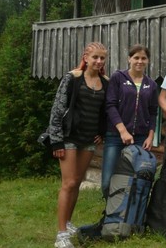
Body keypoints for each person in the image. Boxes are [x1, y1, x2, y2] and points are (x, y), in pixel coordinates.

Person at [47, 42, 109, 248]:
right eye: (95, 57)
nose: (99, 62)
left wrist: (101, 131)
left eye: (102, 58)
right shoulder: (72, 78)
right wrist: (56, 140)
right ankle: (61, 235)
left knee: (77, 182)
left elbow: (104, 111)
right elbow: (57, 109)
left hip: (89, 139)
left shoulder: (105, 82)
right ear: (86, 58)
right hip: (69, 137)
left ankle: (67, 222)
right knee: (69, 183)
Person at [102, 44, 158, 198]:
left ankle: (129, 217)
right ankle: (111, 217)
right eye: (136, 58)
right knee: (108, 181)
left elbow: (153, 112)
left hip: (140, 138)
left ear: (148, 61)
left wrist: (151, 136)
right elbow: (110, 105)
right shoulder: (118, 78)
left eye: (143, 58)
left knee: (137, 180)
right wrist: (123, 131)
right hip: (116, 136)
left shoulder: (151, 85)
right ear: (129, 59)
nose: (139, 61)